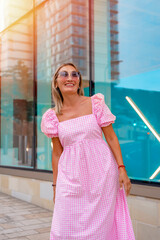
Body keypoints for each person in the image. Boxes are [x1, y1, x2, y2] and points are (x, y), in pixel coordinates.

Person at [41, 62, 135, 240]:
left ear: (79, 81)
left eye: (74, 74)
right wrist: (56, 186)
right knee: (64, 227)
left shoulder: (95, 104)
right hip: (70, 176)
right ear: (56, 83)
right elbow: (56, 154)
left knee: (101, 229)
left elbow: (112, 138)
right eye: (64, 74)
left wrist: (121, 168)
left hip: (102, 174)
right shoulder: (52, 116)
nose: (70, 78)